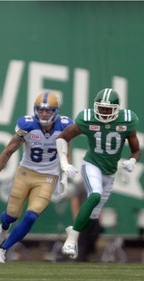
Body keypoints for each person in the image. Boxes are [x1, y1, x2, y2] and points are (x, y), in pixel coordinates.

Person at [0, 91, 73, 263]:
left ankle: (2, 250)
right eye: (41, 110)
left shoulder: (64, 126)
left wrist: (65, 175)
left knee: (32, 216)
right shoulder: (27, 125)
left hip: (48, 176)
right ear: (35, 110)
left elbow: (65, 153)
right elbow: (9, 150)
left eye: (48, 111)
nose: (44, 114)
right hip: (25, 172)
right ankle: (4, 226)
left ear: (56, 111)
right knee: (11, 214)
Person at [57, 88, 140, 259]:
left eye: (108, 109)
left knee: (93, 217)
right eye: (101, 108)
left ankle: (73, 231)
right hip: (91, 164)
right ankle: (71, 239)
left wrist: (132, 161)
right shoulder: (87, 118)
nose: (103, 112)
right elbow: (62, 137)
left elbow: (136, 150)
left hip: (109, 172)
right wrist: (65, 163)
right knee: (94, 195)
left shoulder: (127, 120)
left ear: (116, 109)